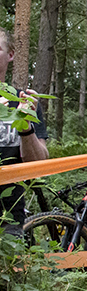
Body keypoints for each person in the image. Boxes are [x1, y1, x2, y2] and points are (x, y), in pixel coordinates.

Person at [0, 27, 49, 236]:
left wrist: (25, 125)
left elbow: (38, 165)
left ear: (10, 55)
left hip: (9, 218)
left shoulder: (24, 101)